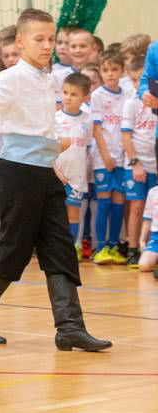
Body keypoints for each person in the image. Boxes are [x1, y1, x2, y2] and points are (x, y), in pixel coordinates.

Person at [0, 8, 111, 352]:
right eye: (39, 39)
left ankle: (70, 327)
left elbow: (43, 130)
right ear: (20, 42)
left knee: (60, 246)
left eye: (51, 39)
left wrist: (53, 161)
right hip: (17, 175)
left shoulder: (46, 79)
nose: (47, 45)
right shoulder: (11, 78)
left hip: (44, 174)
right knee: (15, 249)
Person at [91, 51, 129, 265]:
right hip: (103, 158)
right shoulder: (97, 95)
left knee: (118, 203)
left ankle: (114, 246)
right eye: (105, 70)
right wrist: (105, 155)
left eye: (114, 69)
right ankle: (101, 247)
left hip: (122, 158)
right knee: (103, 202)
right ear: (100, 72)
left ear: (122, 71)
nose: (110, 74)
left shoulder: (127, 95)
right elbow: (96, 129)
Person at [121, 56, 156, 266]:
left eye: (140, 79)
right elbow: (126, 136)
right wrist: (136, 163)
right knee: (137, 206)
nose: (137, 85)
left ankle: (151, 248)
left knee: (154, 209)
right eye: (133, 80)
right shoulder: (131, 103)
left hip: (155, 163)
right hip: (136, 164)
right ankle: (133, 248)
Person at [54, 73, 92, 259]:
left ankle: (70, 250)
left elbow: (88, 147)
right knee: (54, 214)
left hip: (76, 177)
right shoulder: (54, 118)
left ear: (85, 97)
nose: (68, 97)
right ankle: (54, 249)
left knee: (73, 214)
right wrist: (55, 171)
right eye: (65, 92)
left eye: (74, 94)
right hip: (56, 175)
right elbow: (48, 150)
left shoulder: (88, 120)